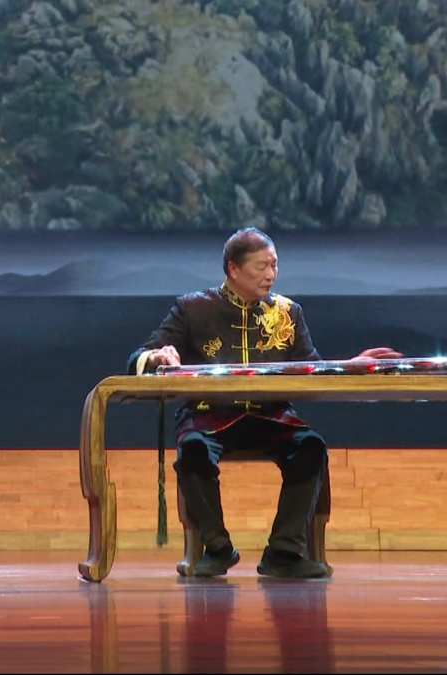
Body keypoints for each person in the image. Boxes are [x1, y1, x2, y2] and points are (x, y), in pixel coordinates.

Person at [127, 227, 400, 578]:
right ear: (233, 269)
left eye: (274, 265)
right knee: (193, 449)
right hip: (210, 416)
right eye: (261, 266)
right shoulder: (193, 308)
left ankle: (284, 551)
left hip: (272, 416)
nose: (271, 274)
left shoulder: (288, 312)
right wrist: (156, 357)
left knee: (311, 447)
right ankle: (217, 547)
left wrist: (349, 366)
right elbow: (140, 355)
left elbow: (311, 368)